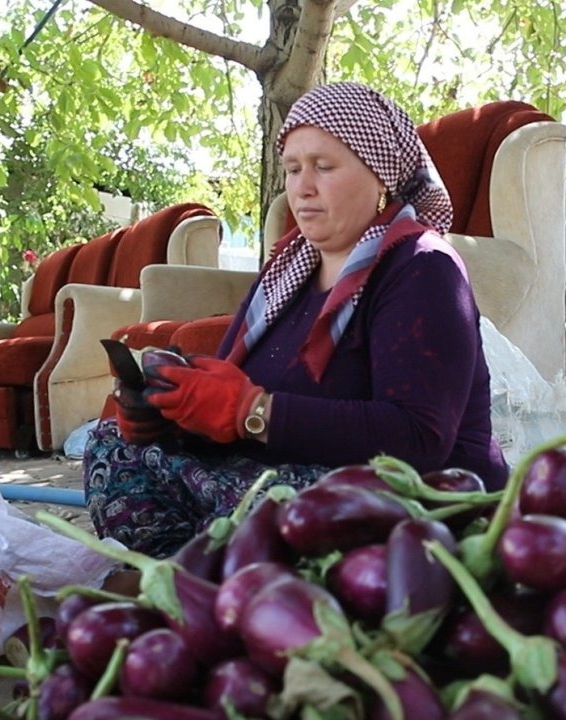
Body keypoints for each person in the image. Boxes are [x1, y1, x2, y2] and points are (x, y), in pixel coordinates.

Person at [83, 82, 508, 557]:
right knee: (115, 449)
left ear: (381, 174)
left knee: (272, 503)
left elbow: (418, 438)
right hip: (289, 471)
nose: (302, 187)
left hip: (418, 498)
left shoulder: (422, 266)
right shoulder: (286, 270)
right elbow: (228, 404)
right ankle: (184, 577)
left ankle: (213, 577)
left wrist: (257, 412)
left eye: (324, 167)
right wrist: (169, 415)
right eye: (292, 169)